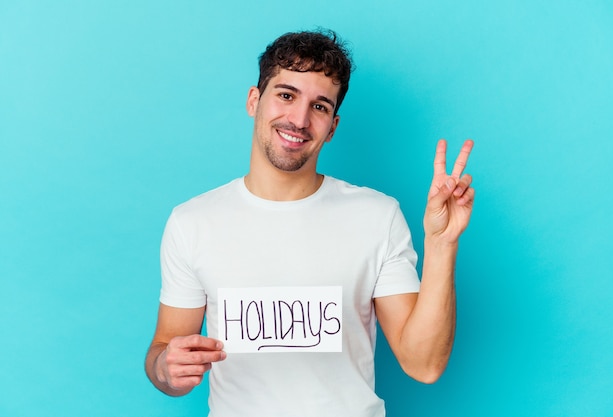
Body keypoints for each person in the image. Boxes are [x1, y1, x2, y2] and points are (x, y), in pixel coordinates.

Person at [145, 29, 474, 416]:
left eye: (319, 107)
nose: (299, 119)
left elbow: (424, 364)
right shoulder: (192, 222)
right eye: (286, 95)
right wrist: (166, 368)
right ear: (255, 101)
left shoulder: (377, 217)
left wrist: (441, 244)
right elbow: (163, 350)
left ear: (332, 127)